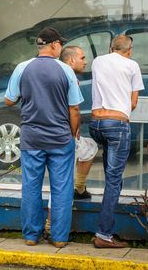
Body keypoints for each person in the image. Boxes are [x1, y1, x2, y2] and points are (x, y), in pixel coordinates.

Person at [4, 27, 83, 248]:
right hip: (60, 138)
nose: (61, 48)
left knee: (31, 187)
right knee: (62, 189)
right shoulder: (66, 70)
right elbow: (74, 108)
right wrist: (72, 133)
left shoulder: (22, 68)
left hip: (32, 138)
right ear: (54, 45)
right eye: (60, 45)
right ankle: (59, 238)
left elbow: (9, 100)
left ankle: (31, 235)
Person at [89, 34, 144, 249]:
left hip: (96, 124)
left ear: (111, 48)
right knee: (114, 180)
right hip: (117, 125)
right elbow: (133, 102)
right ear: (129, 51)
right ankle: (104, 234)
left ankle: (105, 229)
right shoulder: (132, 65)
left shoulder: (97, 61)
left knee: (111, 177)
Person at [59, 45, 93, 200]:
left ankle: (79, 188)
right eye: (82, 58)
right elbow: (74, 109)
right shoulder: (70, 77)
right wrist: (74, 133)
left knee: (90, 147)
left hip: (52, 131)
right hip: (65, 133)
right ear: (71, 60)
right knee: (62, 178)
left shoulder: (58, 74)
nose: (85, 62)